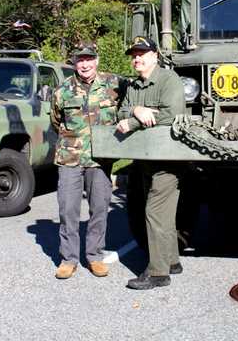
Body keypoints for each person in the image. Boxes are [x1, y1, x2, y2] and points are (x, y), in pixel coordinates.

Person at [116, 36, 186, 290]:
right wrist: (137, 112)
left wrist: (134, 121)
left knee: (154, 212)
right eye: (134, 54)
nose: (137, 58)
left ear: (155, 55)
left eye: (142, 53)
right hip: (144, 158)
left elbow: (172, 114)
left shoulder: (169, 79)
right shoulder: (134, 86)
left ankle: (158, 273)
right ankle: (172, 261)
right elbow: (121, 111)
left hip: (166, 158)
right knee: (163, 214)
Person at [50, 41, 121, 279]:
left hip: (100, 160)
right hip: (70, 158)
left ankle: (95, 256)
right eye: (80, 59)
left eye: (89, 59)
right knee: (68, 210)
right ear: (74, 63)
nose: (85, 64)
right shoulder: (62, 90)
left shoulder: (114, 85)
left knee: (99, 209)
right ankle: (68, 259)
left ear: (97, 61)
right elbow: (56, 121)